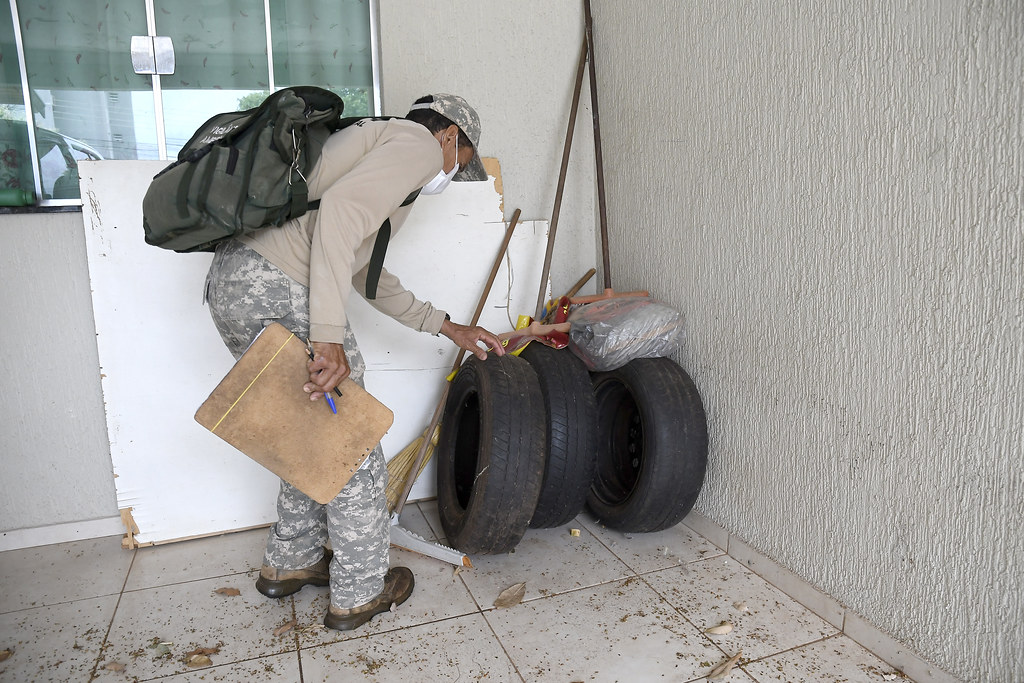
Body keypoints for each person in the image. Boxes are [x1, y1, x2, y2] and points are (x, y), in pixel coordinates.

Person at [203, 93, 504, 631]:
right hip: (281, 287)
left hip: (237, 284)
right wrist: (327, 338)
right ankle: (361, 590)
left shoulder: (374, 149)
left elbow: (366, 273)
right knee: (351, 441)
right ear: (450, 136)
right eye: (462, 162)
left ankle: (289, 565)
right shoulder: (414, 142)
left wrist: (445, 324)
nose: (455, 174)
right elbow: (339, 219)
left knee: (308, 432)